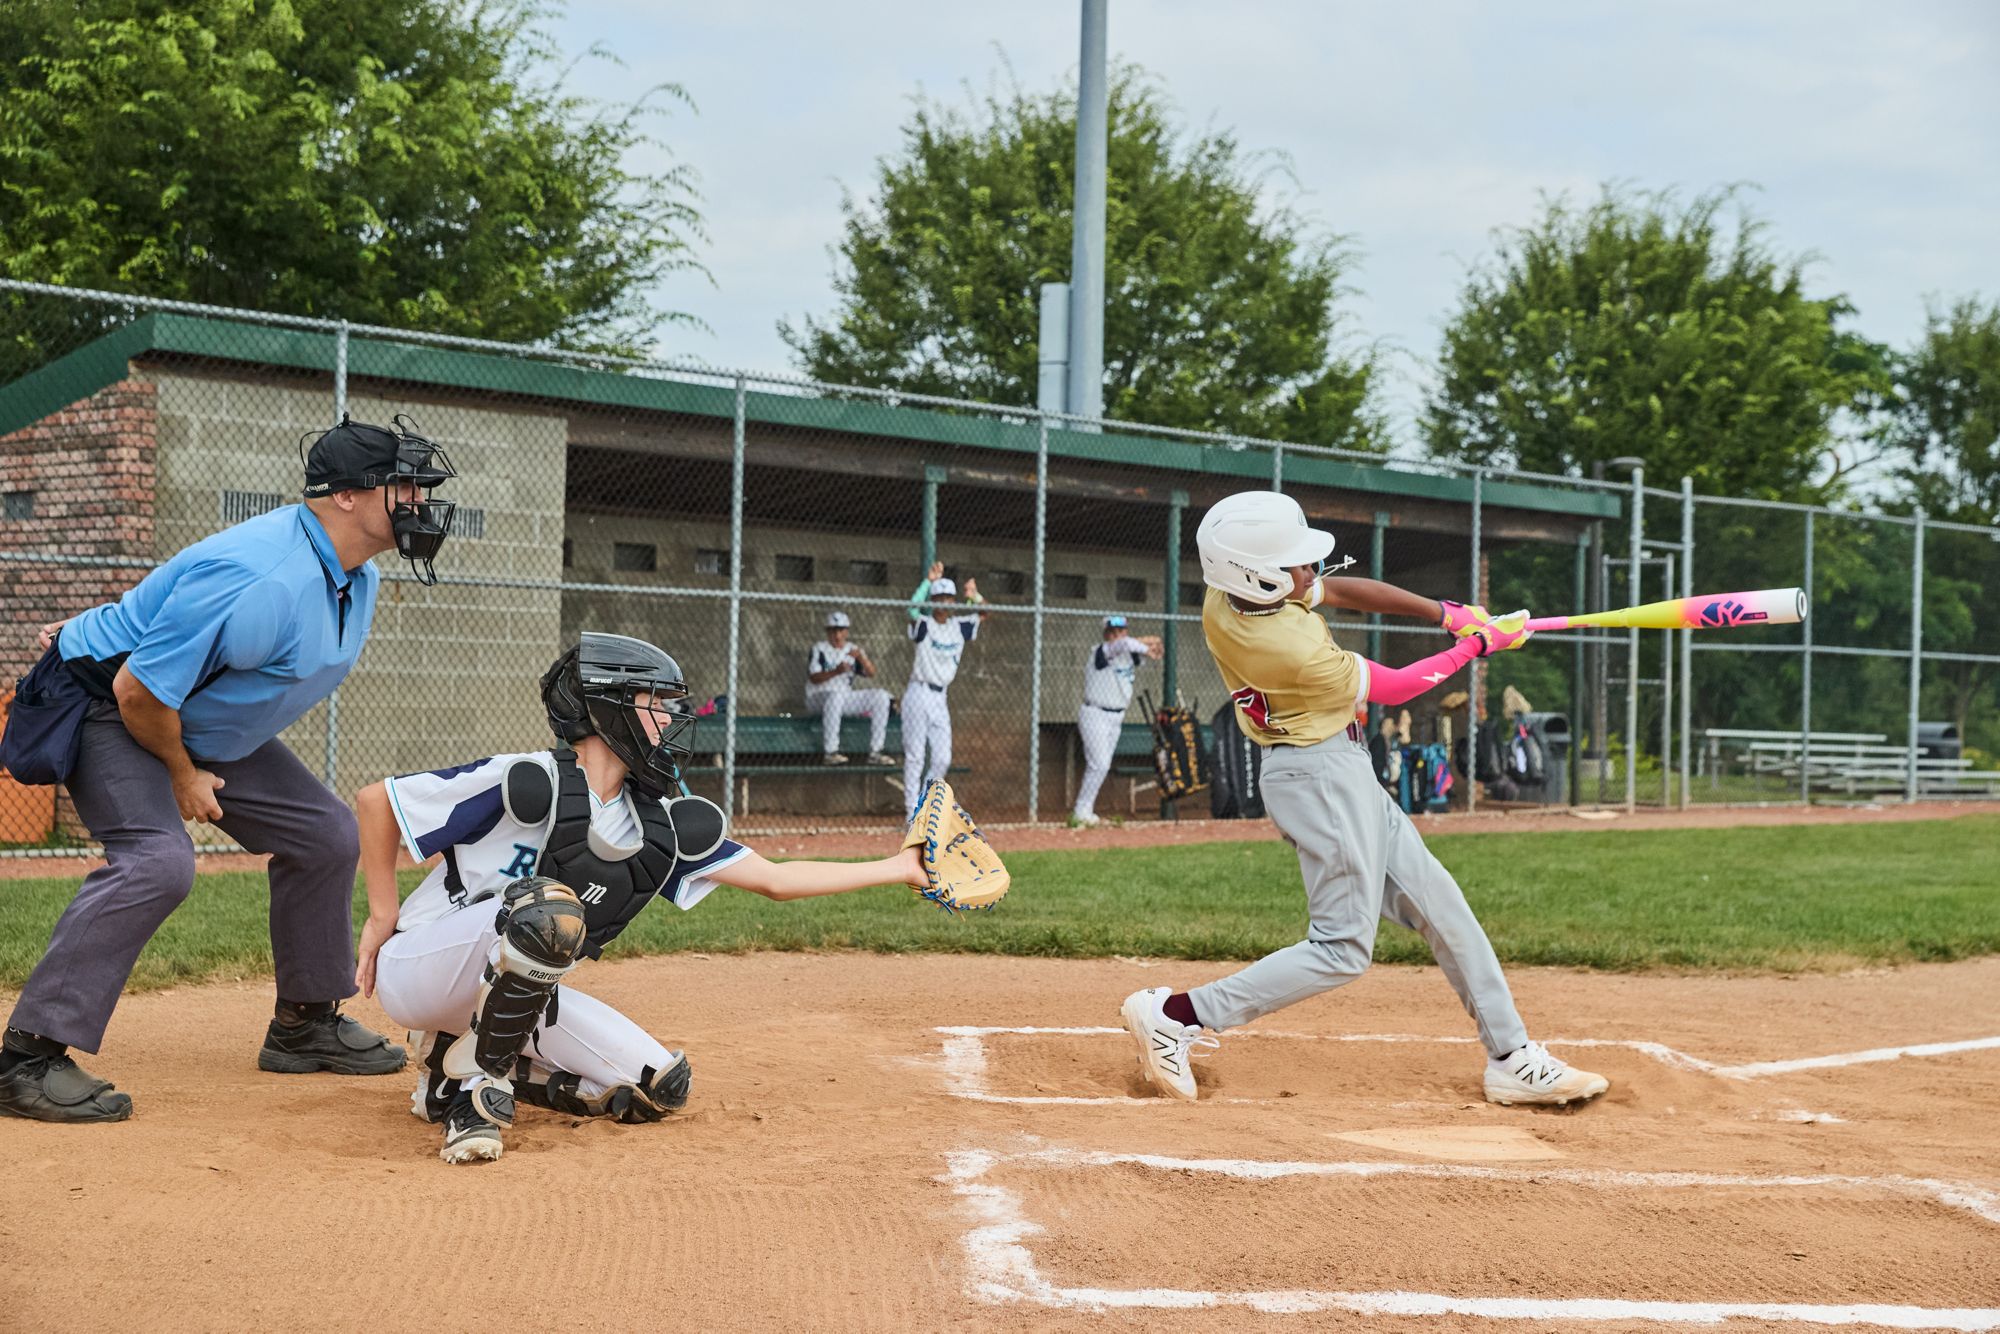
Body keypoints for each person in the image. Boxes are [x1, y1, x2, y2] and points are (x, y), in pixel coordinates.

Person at [0, 415, 458, 1123]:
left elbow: (189, 624)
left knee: (329, 837)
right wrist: (181, 774)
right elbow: (136, 692)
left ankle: (304, 1024)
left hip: (194, 719)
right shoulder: (263, 576)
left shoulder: (351, 575)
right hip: (112, 706)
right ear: (345, 496)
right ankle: (25, 1058)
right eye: (404, 487)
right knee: (158, 862)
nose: (418, 503)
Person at [355, 631, 938, 1164]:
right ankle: (475, 1101)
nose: (670, 717)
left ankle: (450, 1066)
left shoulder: (651, 825)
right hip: (421, 967)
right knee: (545, 909)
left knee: (657, 1084)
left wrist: (901, 867)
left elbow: (776, 880)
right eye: (655, 703)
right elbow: (377, 802)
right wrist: (384, 914)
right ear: (609, 708)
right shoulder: (527, 777)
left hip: (507, 989)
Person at [1118, 490, 1609, 1109]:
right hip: (1318, 779)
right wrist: (1478, 647)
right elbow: (1401, 687)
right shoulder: (1290, 651)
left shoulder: (1232, 594)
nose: (1311, 572)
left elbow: (1349, 590)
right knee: (1342, 948)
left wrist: (1449, 613)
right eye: (1297, 564)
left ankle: (1511, 1057)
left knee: (1444, 909)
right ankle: (1180, 1015)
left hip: (1338, 770)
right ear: (1260, 576)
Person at [899, 560, 988, 819]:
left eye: (949, 598)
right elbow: (911, 609)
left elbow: (985, 613)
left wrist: (974, 596)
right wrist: (927, 582)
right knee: (915, 756)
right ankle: (910, 813)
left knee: (942, 758)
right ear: (934, 599)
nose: (945, 602)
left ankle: (924, 807)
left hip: (941, 697)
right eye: (940, 597)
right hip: (918, 691)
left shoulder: (958, 626)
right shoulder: (925, 624)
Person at [1071, 616, 1162, 826]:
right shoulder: (1101, 651)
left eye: (1121, 631)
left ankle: (1085, 810)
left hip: (1117, 716)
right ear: (1107, 635)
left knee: (1101, 764)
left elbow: (1153, 643)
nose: (1117, 635)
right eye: (1113, 632)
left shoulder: (1130, 654)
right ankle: (1080, 811)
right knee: (1099, 764)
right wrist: (1145, 647)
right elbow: (1125, 644)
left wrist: (1149, 646)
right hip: (1095, 714)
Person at [804, 611, 891, 765]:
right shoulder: (819, 649)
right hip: (818, 698)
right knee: (835, 697)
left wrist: (861, 658)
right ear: (827, 631)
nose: (837, 634)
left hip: (843, 699)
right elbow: (814, 678)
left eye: (841, 630)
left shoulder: (852, 650)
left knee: (881, 696)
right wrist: (836, 671)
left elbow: (871, 673)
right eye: (833, 630)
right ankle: (831, 752)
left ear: (846, 631)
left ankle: (876, 752)